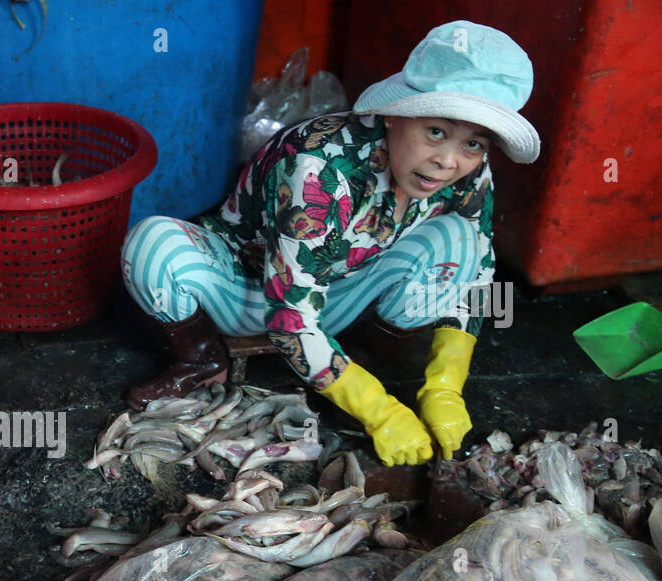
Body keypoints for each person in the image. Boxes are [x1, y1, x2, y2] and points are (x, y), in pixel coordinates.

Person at [120, 20, 540, 466]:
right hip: (247, 290)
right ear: (397, 113)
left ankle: (358, 360)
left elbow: (477, 275)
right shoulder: (318, 165)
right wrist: (376, 410)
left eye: (473, 142)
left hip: (342, 296)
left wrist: (446, 386)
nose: (448, 160)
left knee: (463, 242)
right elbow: (289, 315)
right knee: (150, 245)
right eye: (436, 131)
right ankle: (201, 361)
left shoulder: (469, 171)